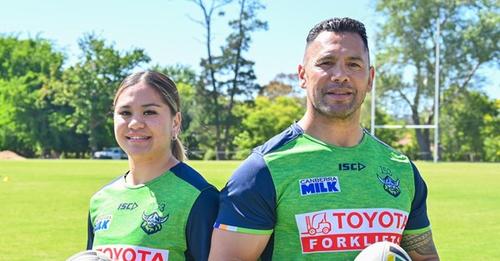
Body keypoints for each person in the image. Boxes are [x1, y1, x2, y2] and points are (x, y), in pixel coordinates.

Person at [209, 17, 439, 260]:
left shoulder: (400, 169)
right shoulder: (264, 170)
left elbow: (425, 257)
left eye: (353, 65)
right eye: (326, 63)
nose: (340, 75)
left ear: (370, 78)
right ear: (302, 75)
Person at [86, 71, 219, 261]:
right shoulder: (101, 200)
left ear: (175, 122)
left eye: (149, 112)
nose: (135, 123)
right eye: (125, 113)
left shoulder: (200, 198)